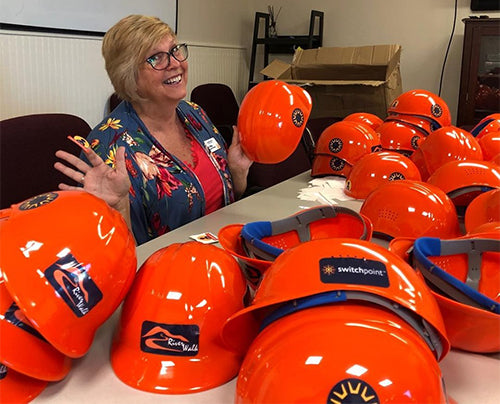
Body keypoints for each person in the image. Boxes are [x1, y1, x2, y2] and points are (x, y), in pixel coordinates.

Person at [54, 15, 252, 245]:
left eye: (175, 50)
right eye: (156, 58)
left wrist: (237, 172)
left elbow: (228, 203)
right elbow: (113, 255)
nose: (175, 63)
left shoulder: (194, 113)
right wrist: (119, 209)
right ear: (129, 77)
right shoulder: (107, 148)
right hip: (168, 272)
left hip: (226, 252)